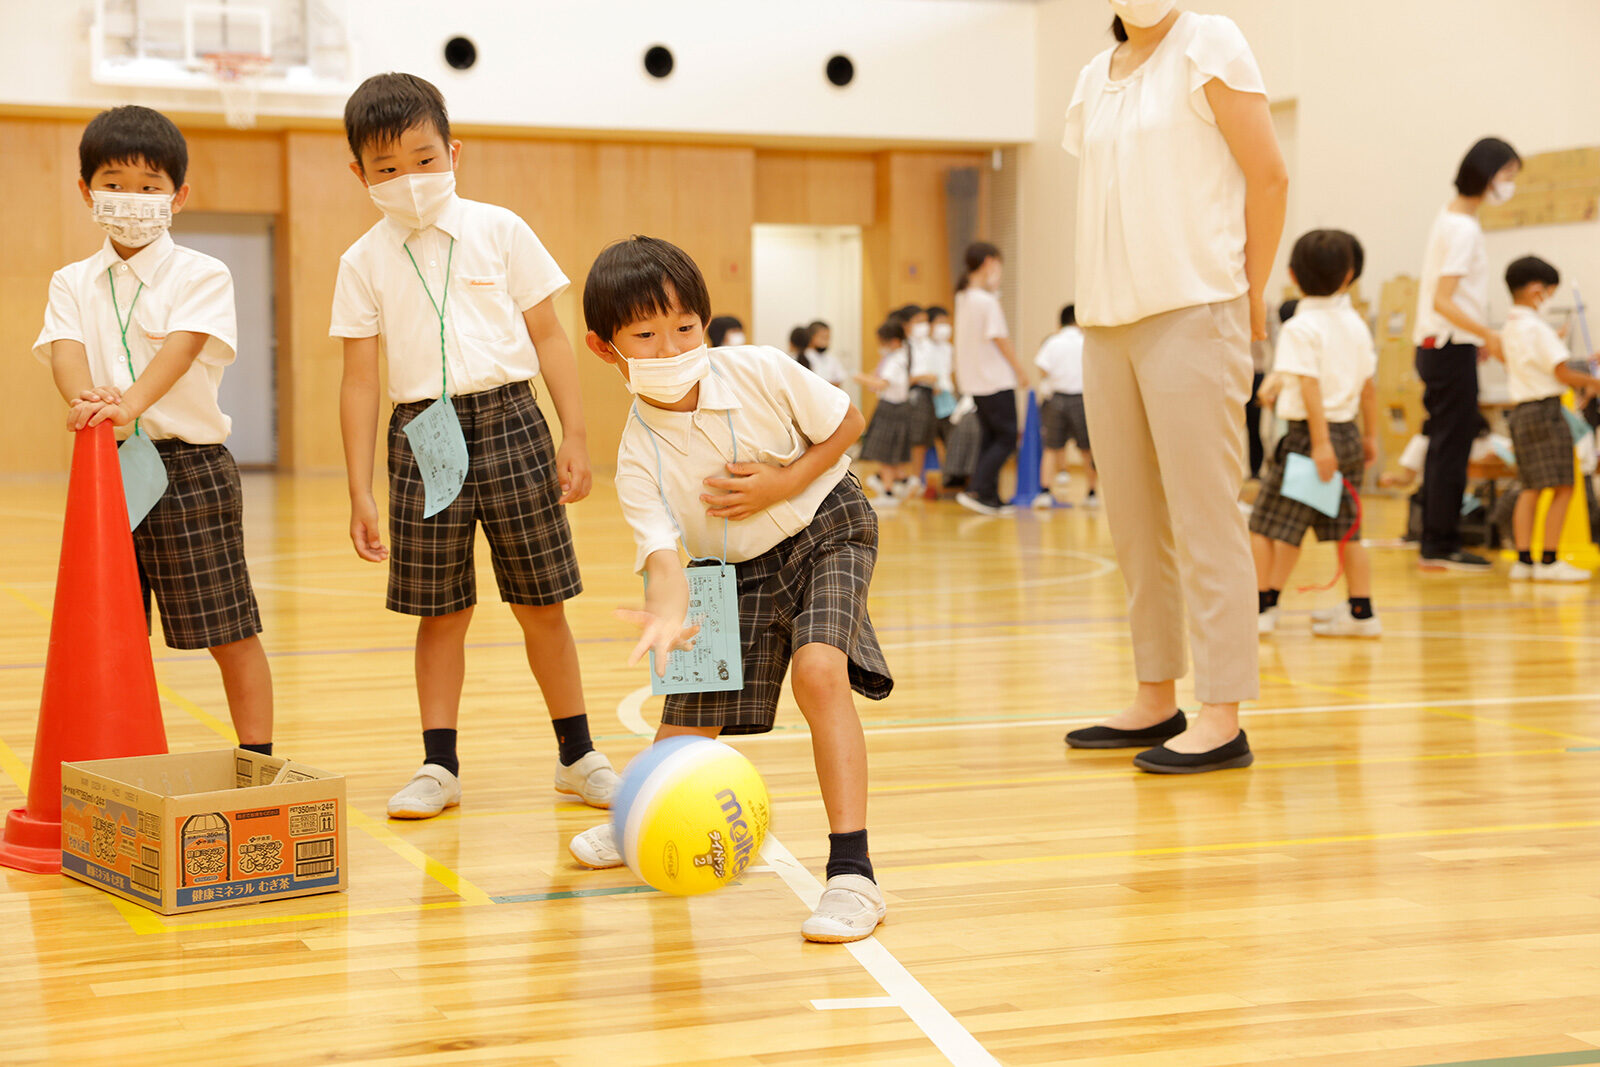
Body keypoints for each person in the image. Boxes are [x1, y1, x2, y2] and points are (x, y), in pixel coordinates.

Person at [571, 236, 893, 943]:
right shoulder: (635, 453)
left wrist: (783, 480)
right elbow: (661, 555)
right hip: (727, 568)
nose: (672, 345)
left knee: (819, 671)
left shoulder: (758, 371)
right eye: (646, 335)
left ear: (706, 323)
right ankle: (640, 818)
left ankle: (853, 872)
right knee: (686, 718)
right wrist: (665, 611)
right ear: (605, 348)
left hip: (827, 526)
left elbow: (848, 422)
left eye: (685, 327)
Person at [329, 73, 618, 819]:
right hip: (421, 434)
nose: (410, 180)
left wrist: (575, 434)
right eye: (388, 168)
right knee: (440, 610)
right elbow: (360, 381)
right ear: (360, 173)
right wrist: (358, 486)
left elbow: (550, 336)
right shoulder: (361, 260)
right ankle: (439, 763)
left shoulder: (502, 229)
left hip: (514, 422)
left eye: (424, 159)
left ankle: (577, 752)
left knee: (542, 601)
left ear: (454, 151)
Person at [1060, 3, 1287, 773]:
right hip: (1106, 320)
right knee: (1132, 519)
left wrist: (1250, 295)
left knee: (1205, 514)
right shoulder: (1096, 76)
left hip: (1196, 307)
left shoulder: (1210, 41)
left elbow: (1269, 174)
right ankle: (1156, 693)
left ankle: (1223, 713)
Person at [36, 105, 275, 753]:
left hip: (189, 470)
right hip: (104, 469)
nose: (133, 198)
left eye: (150, 186)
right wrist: (86, 400)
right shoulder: (71, 282)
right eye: (115, 183)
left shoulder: (201, 273)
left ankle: (256, 756)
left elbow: (182, 345)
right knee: (110, 628)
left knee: (227, 624)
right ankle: (119, 756)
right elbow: (64, 349)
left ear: (179, 195)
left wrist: (129, 403)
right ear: (86, 190)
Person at [1249, 231, 1380, 637]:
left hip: (1311, 438)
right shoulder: (1356, 324)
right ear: (1349, 276)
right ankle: (1362, 613)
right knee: (1348, 532)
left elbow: (1309, 387)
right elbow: (1369, 387)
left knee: (1267, 527)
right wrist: (1371, 438)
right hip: (1348, 434)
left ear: (1291, 273)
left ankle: (1262, 609)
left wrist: (1320, 444)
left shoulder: (1300, 326)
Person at [1413, 136, 1522, 572]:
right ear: (1488, 174)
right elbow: (1444, 299)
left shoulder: (1450, 216)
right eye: (1509, 176)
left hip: (1446, 346)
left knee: (1445, 447)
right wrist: (1486, 336)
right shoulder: (1462, 228)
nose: (1510, 185)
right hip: (1448, 346)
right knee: (1451, 449)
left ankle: (1435, 539)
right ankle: (1440, 543)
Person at [1500, 255, 1600, 583]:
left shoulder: (1511, 326)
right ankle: (1550, 559)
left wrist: (1575, 358)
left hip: (1521, 412)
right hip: (1545, 411)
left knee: (1530, 487)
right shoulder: (1535, 328)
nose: (1548, 300)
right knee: (1561, 486)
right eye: (1548, 293)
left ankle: (1525, 560)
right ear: (1534, 290)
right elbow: (1560, 371)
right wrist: (1593, 381)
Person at [953, 242, 1027, 516]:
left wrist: (992, 288)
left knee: (991, 437)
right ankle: (979, 489)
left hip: (975, 381)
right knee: (1007, 437)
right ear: (988, 263)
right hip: (994, 379)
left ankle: (989, 496)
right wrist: (1019, 369)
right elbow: (1000, 339)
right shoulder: (985, 301)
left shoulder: (964, 297)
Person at [1033, 304, 1098, 509]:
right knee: (1086, 449)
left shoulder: (1053, 342)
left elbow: (1042, 370)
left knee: (1051, 448)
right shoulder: (1086, 342)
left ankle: (1044, 492)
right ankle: (1092, 493)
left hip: (1056, 400)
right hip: (1081, 399)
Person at [854, 320, 916, 503]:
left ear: (894, 341)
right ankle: (903, 481)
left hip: (891, 409)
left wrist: (860, 378)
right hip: (896, 408)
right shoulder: (901, 357)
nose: (881, 347)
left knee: (885, 453)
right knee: (891, 452)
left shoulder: (896, 361)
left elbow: (881, 383)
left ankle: (889, 490)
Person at [899, 304, 939, 496]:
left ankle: (916, 477)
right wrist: (922, 377)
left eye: (925, 321)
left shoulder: (928, 346)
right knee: (908, 437)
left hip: (926, 394)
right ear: (907, 324)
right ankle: (904, 477)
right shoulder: (903, 346)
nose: (924, 326)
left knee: (922, 438)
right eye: (918, 321)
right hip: (907, 394)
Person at [803, 320, 849, 388]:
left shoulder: (832, 359)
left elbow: (839, 380)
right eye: (823, 337)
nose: (826, 342)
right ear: (811, 337)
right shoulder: (802, 357)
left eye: (828, 338)